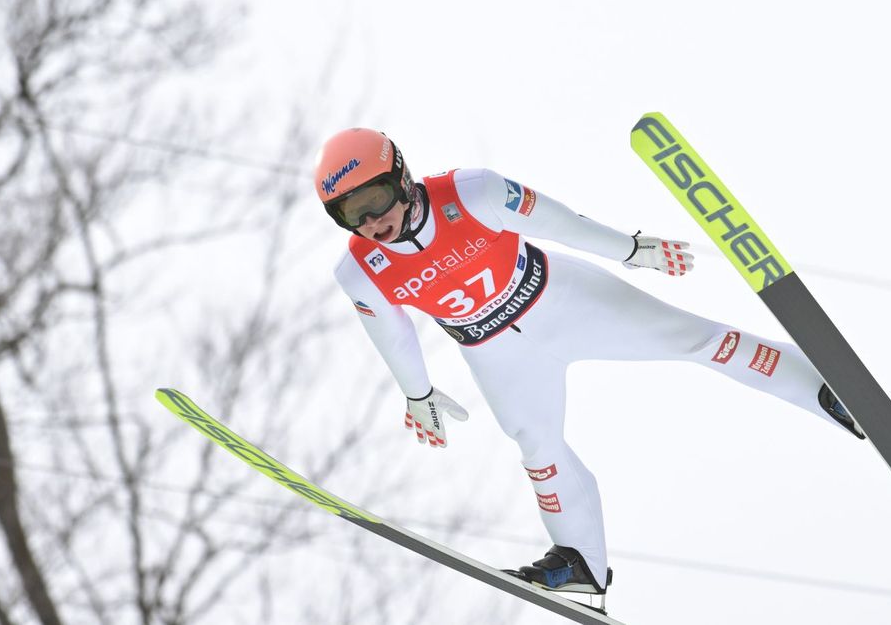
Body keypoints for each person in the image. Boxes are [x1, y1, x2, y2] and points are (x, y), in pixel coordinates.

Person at [317, 127, 863, 605]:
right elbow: (390, 333)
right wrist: (417, 392)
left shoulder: (470, 190)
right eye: (351, 214)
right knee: (538, 449)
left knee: (696, 342)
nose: (371, 221)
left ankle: (823, 389)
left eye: (377, 198)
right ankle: (580, 565)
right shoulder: (360, 269)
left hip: (562, 300)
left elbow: (559, 221)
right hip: (493, 351)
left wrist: (628, 249)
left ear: (402, 176)